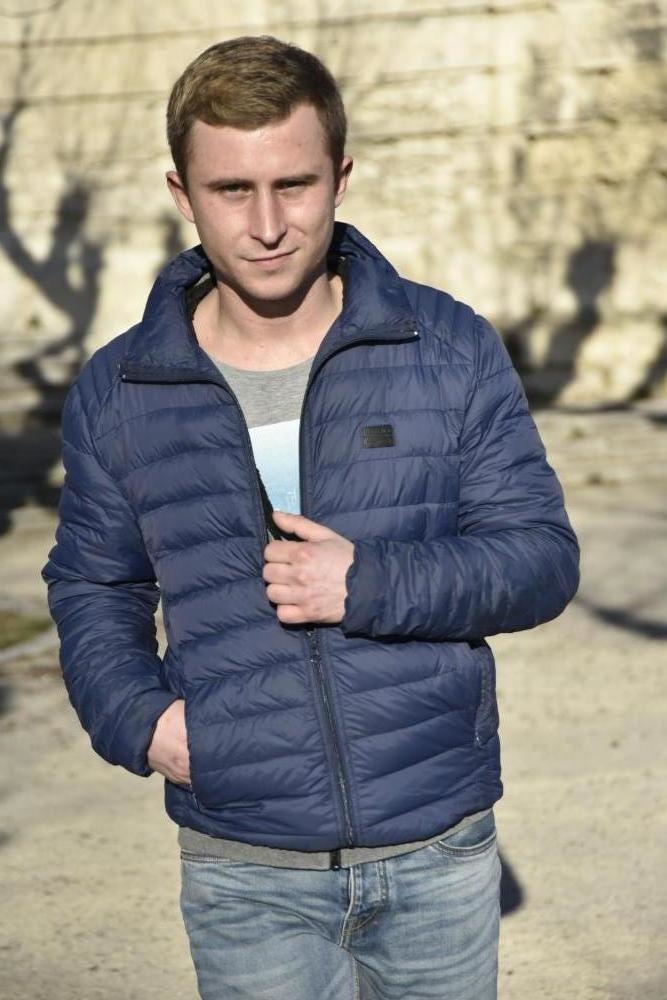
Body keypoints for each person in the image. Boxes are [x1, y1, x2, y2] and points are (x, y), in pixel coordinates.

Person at [42, 35, 579, 1000]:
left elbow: (538, 558)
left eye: (293, 184)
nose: (267, 225)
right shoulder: (120, 388)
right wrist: (139, 720)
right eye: (232, 191)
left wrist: (368, 582)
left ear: (341, 177)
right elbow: (94, 582)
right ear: (182, 194)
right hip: (243, 864)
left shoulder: (444, 346)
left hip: (437, 846)